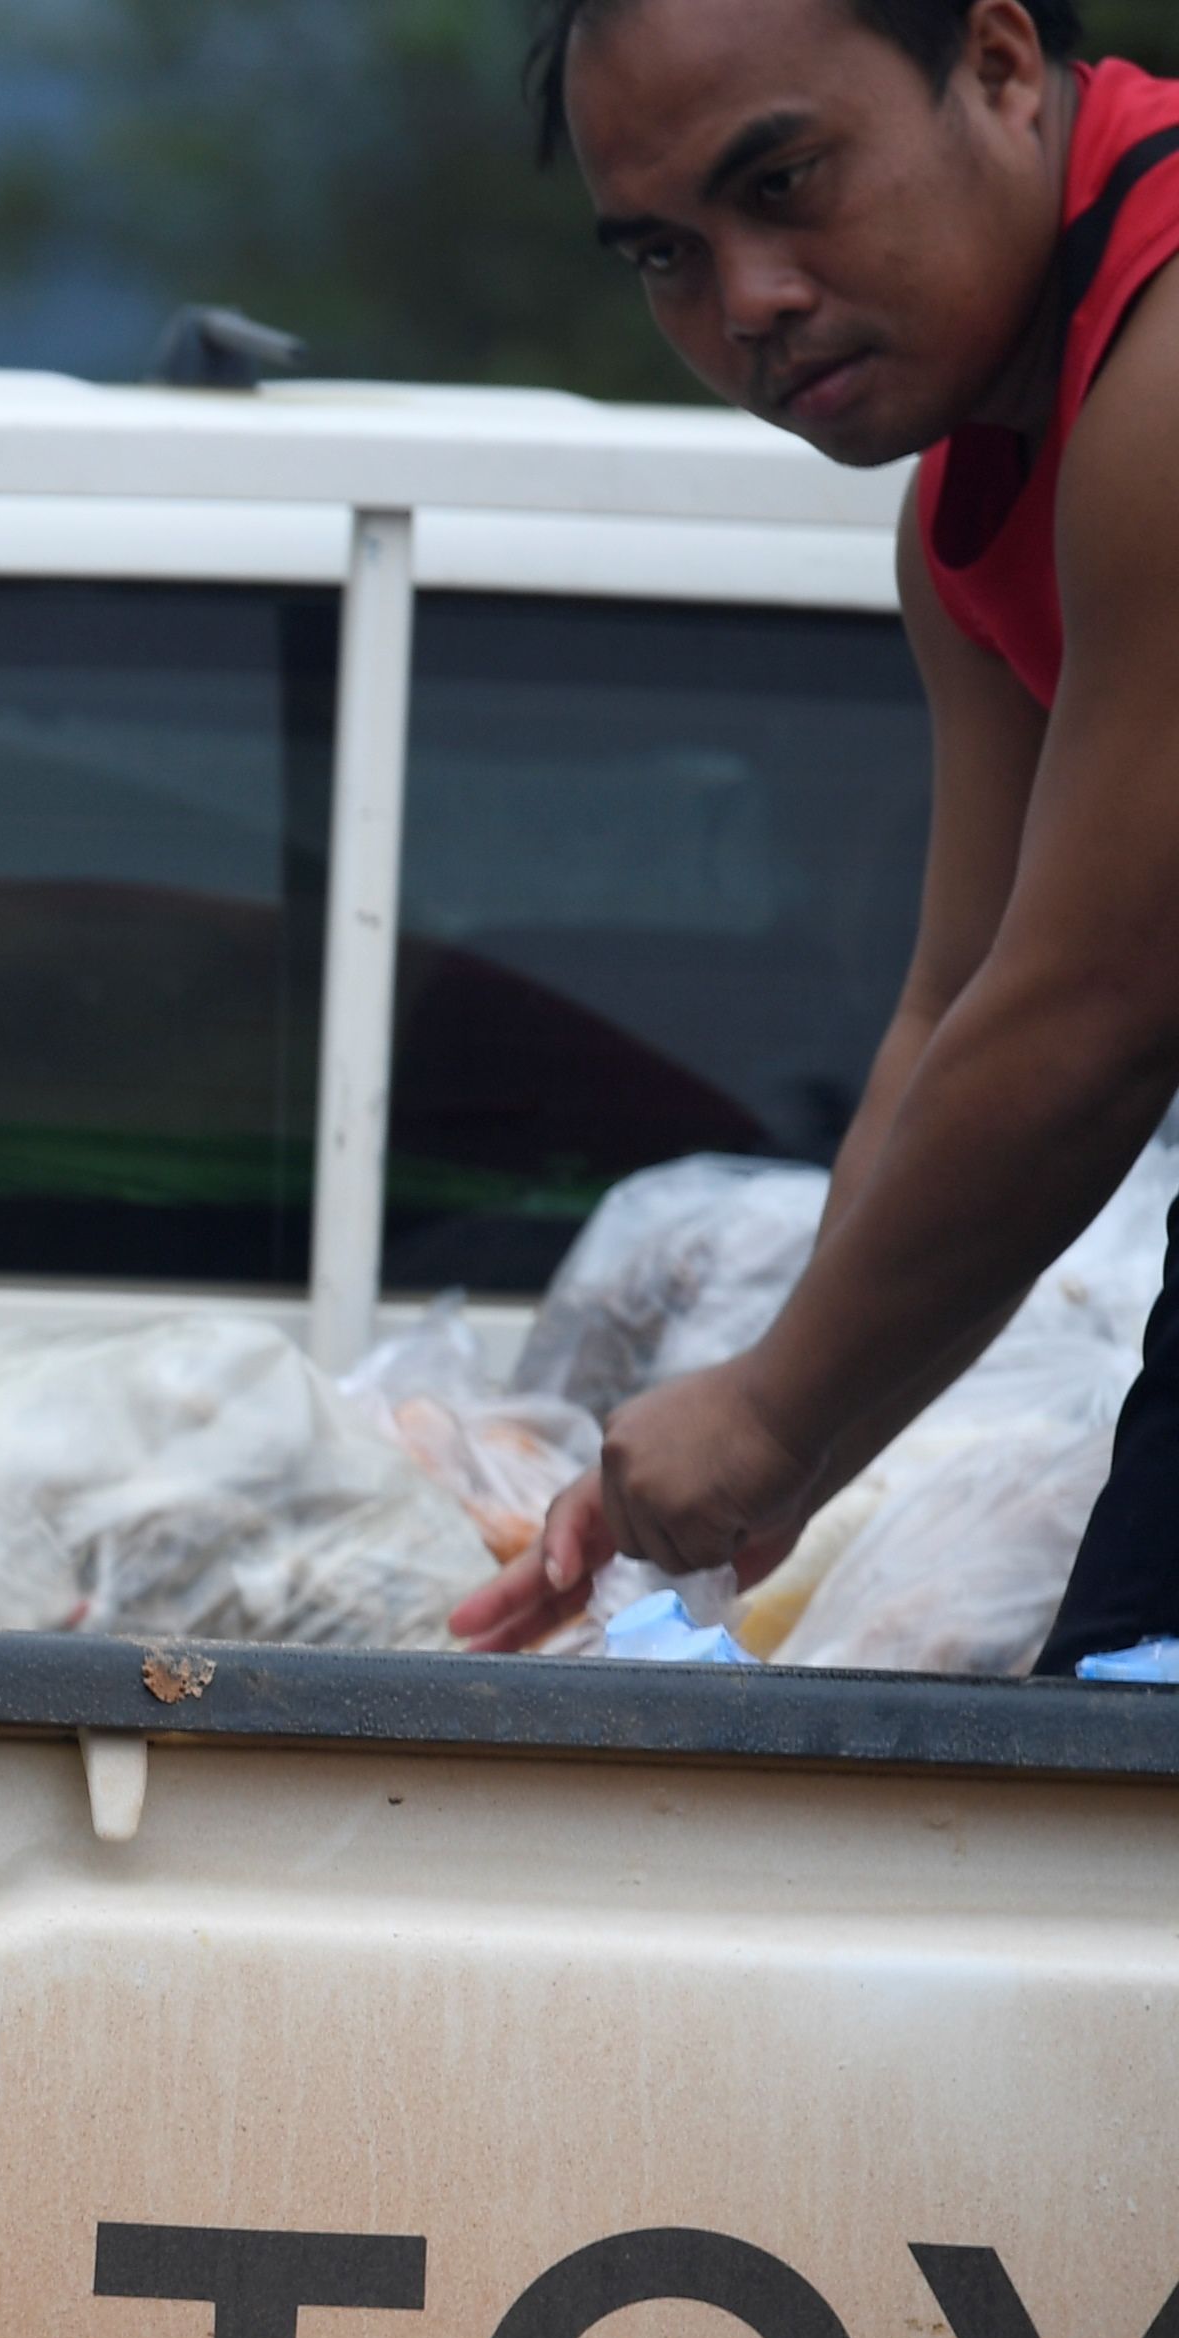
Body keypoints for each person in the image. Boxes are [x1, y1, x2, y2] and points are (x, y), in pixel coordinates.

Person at [467, 0, 1179, 1671]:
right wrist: (787, 1435)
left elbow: (1094, 1011)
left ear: (998, 64)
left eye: (782, 182)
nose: (746, 303)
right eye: (664, 254)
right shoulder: (964, 523)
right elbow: (962, 1004)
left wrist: (776, 1413)